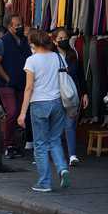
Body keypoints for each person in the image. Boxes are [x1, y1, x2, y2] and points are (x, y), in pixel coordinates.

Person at [17, 29, 70, 192]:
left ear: (33, 43)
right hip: (57, 103)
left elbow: (29, 88)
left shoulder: (31, 61)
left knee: (40, 144)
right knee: (54, 140)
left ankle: (44, 182)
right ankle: (62, 168)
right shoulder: (58, 57)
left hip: (39, 104)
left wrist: (22, 112)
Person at [0, 14, 32, 158]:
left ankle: (16, 143)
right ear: (10, 26)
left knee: (22, 113)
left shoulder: (24, 41)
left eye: (20, 24)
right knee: (12, 111)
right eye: (17, 25)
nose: (20, 27)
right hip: (6, 84)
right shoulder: (2, 42)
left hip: (22, 83)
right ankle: (8, 143)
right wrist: (6, 78)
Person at [53, 28, 89, 166]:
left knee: (70, 124)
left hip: (72, 94)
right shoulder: (52, 56)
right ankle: (58, 153)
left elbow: (80, 75)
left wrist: (84, 93)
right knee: (57, 125)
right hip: (56, 94)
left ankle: (72, 155)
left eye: (65, 38)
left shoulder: (73, 54)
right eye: (60, 39)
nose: (63, 40)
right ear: (54, 41)